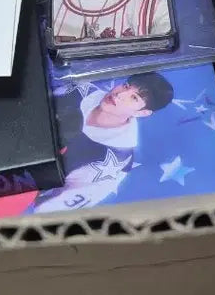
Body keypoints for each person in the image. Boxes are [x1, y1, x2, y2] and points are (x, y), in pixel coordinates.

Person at [33, 72, 174, 212]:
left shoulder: (116, 160)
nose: (119, 94)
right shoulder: (80, 88)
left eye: (134, 97)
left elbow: (51, 208)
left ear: (142, 113)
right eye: (126, 86)